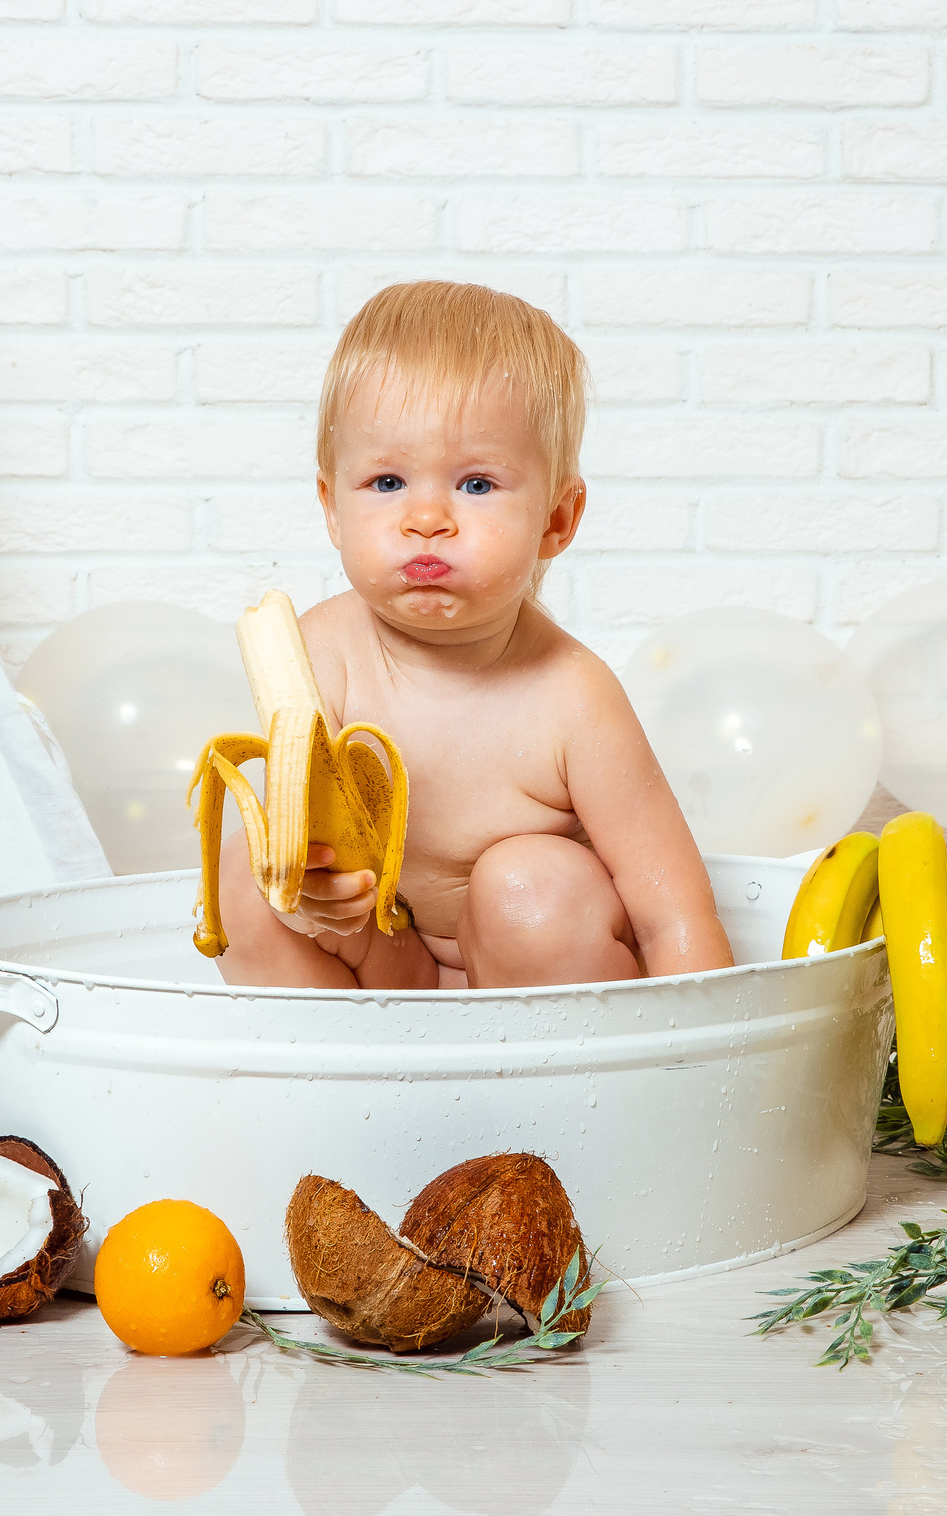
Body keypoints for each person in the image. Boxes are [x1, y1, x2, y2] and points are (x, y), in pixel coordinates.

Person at [209, 282, 735, 991]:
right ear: (332, 508)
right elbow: (304, 855)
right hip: (394, 975)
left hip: (537, 997)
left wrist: (703, 1061)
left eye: (478, 485)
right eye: (387, 480)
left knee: (530, 885)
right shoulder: (321, 655)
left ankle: (563, 1090)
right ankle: (335, 1083)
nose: (426, 517)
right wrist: (310, 901)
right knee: (246, 869)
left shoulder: (573, 698)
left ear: (556, 519)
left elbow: (674, 916)